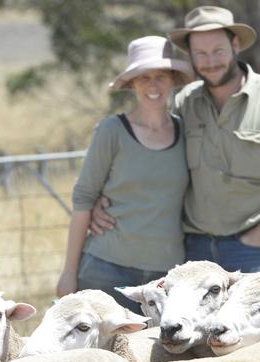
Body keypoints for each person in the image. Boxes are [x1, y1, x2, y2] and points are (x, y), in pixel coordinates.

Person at [92, 6, 260, 276]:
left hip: (252, 250)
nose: (210, 61)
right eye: (200, 53)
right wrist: (103, 202)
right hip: (193, 251)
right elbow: (151, 164)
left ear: (235, 45)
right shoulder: (183, 103)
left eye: (218, 50)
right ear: (190, 55)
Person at [56, 36, 194, 312]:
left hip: (166, 278)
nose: (153, 86)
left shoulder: (188, 132)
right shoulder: (112, 131)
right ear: (132, 83)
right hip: (106, 269)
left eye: (160, 77)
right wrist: (68, 274)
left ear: (172, 80)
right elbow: (84, 198)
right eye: (144, 78)